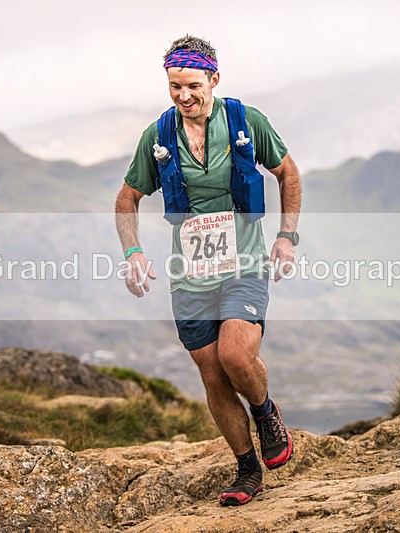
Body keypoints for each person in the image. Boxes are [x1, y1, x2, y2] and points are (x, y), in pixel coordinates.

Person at [115, 34, 301, 506]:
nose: (184, 96)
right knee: (213, 375)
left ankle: (265, 413)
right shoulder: (157, 137)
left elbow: (287, 173)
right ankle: (246, 470)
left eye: (193, 85)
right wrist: (133, 252)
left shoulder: (245, 121)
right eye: (175, 87)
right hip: (189, 275)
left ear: (213, 80)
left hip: (244, 265)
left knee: (236, 357)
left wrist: (286, 235)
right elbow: (126, 199)